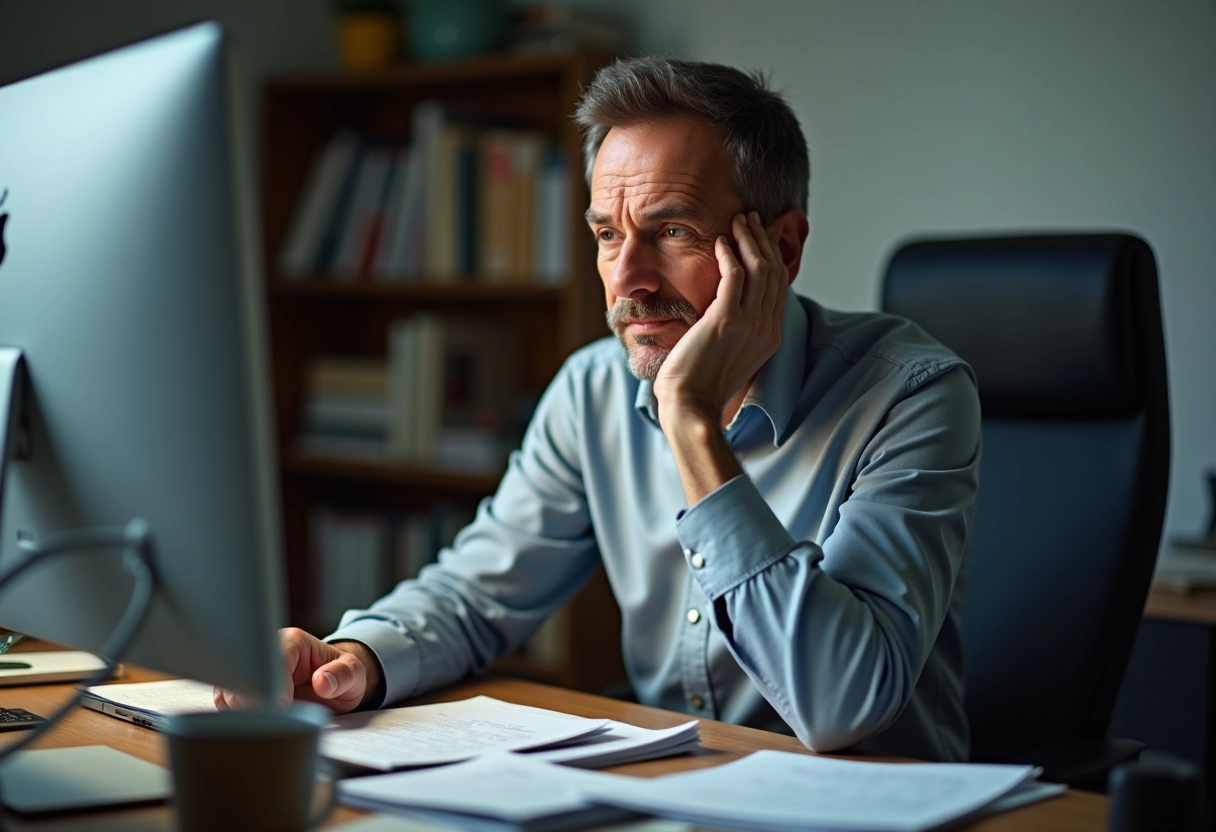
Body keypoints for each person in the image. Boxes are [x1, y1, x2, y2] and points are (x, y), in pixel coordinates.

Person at [219, 57, 981, 762]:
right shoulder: (594, 388)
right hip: (676, 792)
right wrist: (355, 659)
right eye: (608, 234)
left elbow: (842, 704)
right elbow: (479, 592)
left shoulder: (911, 394)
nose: (626, 279)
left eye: (672, 231)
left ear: (779, 250)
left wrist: (689, 421)